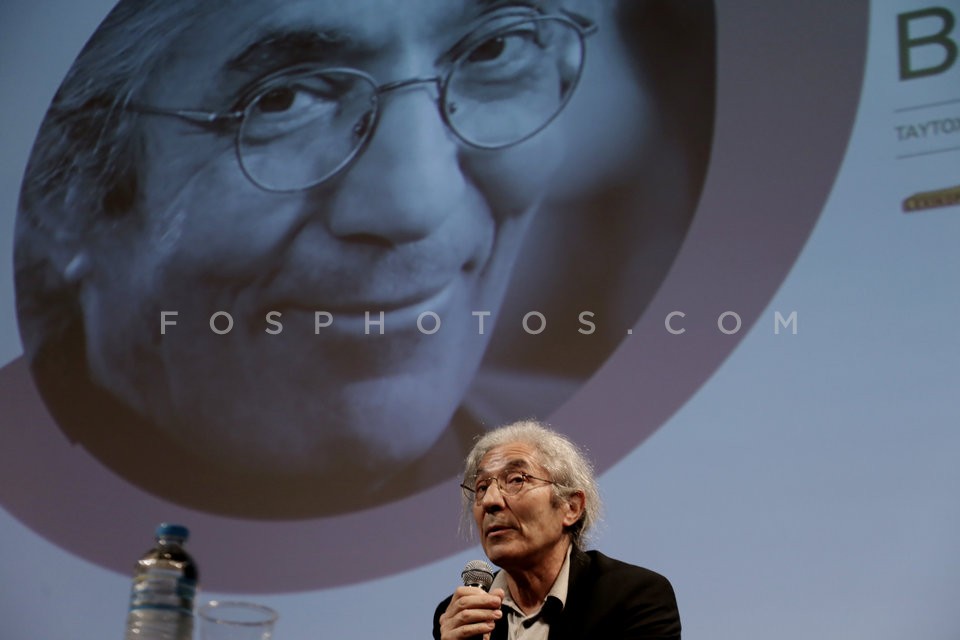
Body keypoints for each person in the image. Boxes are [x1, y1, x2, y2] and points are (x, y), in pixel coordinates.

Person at [14, 0, 713, 517]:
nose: (418, 202)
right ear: (64, 190)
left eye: (493, 52)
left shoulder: (640, 495)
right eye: (282, 98)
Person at [434, 419, 681, 639]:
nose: (490, 501)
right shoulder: (462, 616)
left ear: (571, 507)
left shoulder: (633, 598)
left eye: (516, 480)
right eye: (481, 487)